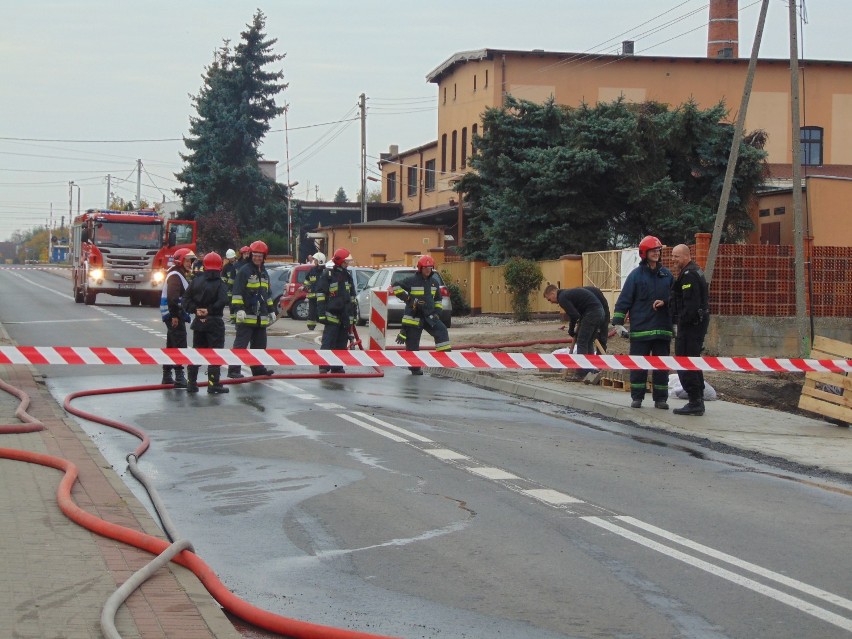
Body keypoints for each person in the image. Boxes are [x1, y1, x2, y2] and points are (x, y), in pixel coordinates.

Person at [612, 235, 674, 409]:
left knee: (661, 366)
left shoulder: (667, 275)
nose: (656, 253)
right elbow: (625, 299)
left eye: (658, 250)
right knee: (638, 365)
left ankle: (660, 399)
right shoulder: (635, 276)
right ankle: (637, 397)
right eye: (653, 251)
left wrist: (666, 303)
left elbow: (675, 298)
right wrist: (617, 322)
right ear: (644, 253)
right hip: (641, 330)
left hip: (662, 329)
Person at [670, 244, 710, 416]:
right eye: (673, 256)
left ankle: (694, 401)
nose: (673, 260)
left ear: (686, 256)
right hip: (695, 326)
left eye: (676, 257)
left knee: (685, 361)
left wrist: (680, 323)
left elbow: (690, 305)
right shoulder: (695, 271)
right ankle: (697, 398)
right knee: (692, 361)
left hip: (690, 327)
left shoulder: (689, 275)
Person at [394, 255, 452, 376]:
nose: (428, 270)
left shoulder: (434, 283)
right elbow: (395, 286)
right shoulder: (412, 280)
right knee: (413, 343)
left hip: (430, 316)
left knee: (441, 331)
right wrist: (408, 299)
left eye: (430, 267)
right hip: (414, 317)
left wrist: (437, 313)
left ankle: (444, 362)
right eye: (425, 267)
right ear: (420, 268)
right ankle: (415, 368)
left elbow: (438, 299)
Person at [226, 240, 276, 379]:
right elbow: (237, 291)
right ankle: (233, 370)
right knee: (241, 344)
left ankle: (258, 369)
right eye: (255, 255)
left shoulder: (264, 272)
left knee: (260, 345)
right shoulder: (244, 271)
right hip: (247, 315)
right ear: (250, 255)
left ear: (264, 257)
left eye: (260, 256)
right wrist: (239, 309)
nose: (257, 258)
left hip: (261, 317)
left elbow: (267, 294)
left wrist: (271, 310)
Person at [182, 252, 230, 394]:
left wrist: (196, 311)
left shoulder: (196, 281)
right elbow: (222, 301)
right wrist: (209, 311)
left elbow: (185, 300)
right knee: (215, 354)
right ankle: (213, 383)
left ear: (204, 265)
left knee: (197, 352)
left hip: (199, 323)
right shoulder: (220, 284)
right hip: (214, 322)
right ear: (220, 266)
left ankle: (191, 383)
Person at [543, 284, 606, 379]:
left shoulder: (562, 297)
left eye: (549, 299)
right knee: (588, 342)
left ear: (552, 293)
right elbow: (577, 314)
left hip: (592, 313)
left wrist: (571, 329)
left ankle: (581, 372)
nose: (551, 302)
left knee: (582, 342)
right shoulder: (567, 294)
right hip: (599, 312)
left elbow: (574, 315)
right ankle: (589, 370)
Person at [159, 247, 196, 388]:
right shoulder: (175, 275)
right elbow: (173, 298)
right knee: (180, 343)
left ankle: (167, 375)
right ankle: (179, 376)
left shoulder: (177, 274)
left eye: (190, 261)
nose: (189, 263)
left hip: (173, 314)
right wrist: (175, 315)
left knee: (171, 344)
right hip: (174, 315)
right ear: (180, 260)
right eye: (187, 260)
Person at [316, 249, 356, 373]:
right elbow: (321, 295)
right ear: (339, 261)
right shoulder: (328, 274)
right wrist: (321, 314)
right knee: (328, 342)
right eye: (345, 261)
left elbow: (352, 297)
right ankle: (324, 366)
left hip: (344, 316)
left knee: (342, 343)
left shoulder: (347, 276)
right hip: (331, 315)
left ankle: (337, 366)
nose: (347, 264)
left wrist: (353, 316)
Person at [303, 252, 326, 331]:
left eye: (315, 260)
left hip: (322, 296)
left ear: (320, 261)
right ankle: (311, 325)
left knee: (322, 310)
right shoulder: (312, 270)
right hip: (312, 295)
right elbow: (306, 280)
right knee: (312, 311)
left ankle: (324, 323)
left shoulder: (325, 271)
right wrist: (307, 287)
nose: (314, 262)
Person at [584, 285, 611, 353]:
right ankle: (597, 358)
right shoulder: (587, 293)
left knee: (599, 339)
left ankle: (598, 359)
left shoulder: (585, 294)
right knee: (591, 339)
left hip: (601, 315)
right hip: (600, 313)